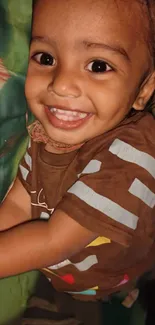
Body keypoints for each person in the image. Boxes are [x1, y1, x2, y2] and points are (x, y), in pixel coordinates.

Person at [0, 0, 155, 323]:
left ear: (144, 88)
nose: (61, 84)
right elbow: (19, 202)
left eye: (98, 66)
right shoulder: (46, 131)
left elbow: (55, 241)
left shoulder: (134, 157)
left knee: (117, 290)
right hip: (61, 272)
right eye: (46, 58)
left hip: (109, 273)